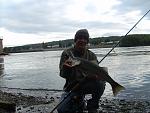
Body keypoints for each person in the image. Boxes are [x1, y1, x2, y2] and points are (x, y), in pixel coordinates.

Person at [57, 29, 106, 113]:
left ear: (87, 41)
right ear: (75, 40)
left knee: (101, 82)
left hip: (87, 84)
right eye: (80, 38)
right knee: (62, 109)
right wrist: (66, 68)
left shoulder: (91, 55)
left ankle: (92, 106)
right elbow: (63, 74)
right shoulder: (67, 53)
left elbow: (98, 73)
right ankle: (80, 101)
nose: (82, 40)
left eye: (85, 38)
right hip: (72, 87)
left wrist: (94, 76)